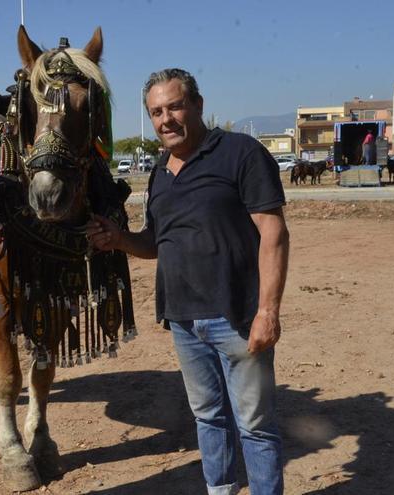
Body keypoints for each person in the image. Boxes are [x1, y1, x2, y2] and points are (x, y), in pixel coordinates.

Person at [87, 69, 289, 495]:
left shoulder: (241, 153)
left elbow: (273, 234)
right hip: (183, 320)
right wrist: (119, 239)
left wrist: (268, 311)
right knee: (208, 417)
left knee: (254, 423)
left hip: (237, 316)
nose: (166, 119)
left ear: (197, 104)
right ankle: (220, 490)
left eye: (174, 106)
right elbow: (155, 243)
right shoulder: (161, 172)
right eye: (156, 112)